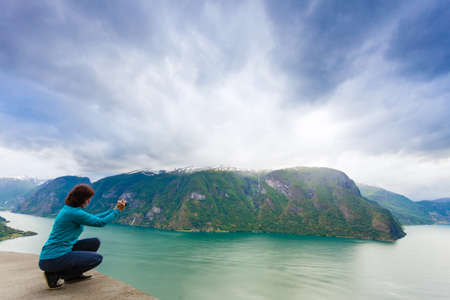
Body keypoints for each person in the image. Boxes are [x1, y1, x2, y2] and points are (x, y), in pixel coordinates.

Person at [38, 184, 127, 289]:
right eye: (88, 198)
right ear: (81, 199)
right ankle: (56, 274)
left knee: (94, 242)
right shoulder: (74, 213)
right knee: (97, 258)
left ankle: (73, 276)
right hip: (53, 259)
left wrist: (113, 209)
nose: (89, 201)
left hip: (53, 255)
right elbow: (100, 222)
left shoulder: (70, 209)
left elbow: (94, 218)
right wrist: (117, 211)